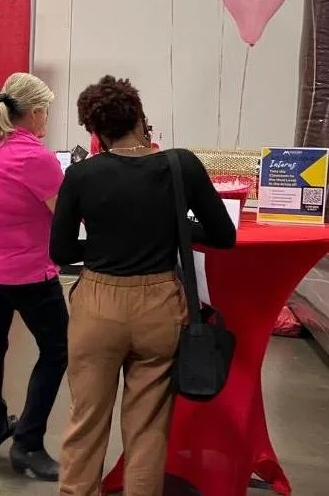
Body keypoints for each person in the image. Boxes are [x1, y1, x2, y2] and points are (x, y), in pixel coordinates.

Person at [51, 76, 236, 496]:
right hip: (160, 304)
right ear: (141, 117)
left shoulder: (81, 176)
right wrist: (178, 228)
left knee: (86, 421)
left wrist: (102, 241)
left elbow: (60, 250)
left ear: (94, 132)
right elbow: (224, 235)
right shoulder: (180, 165)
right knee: (148, 429)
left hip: (97, 302)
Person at [0, 72, 69, 482]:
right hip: (27, 270)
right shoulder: (35, 158)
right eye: (47, 112)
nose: (47, 121)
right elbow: (64, 218)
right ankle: (29, 443)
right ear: (35, 112)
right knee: (57, 349)